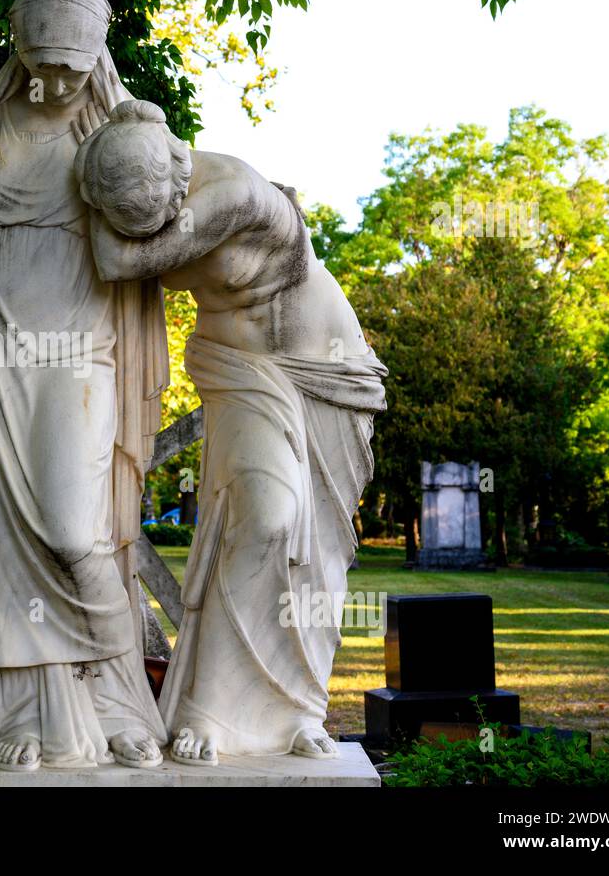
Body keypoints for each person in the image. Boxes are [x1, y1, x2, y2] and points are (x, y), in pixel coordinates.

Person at [0, 0, 168, 771]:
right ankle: (19, 713)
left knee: (71, 531)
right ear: (15, 53)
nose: (53, 83)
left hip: (73, 341)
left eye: (71, 68)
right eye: (38, 65)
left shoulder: (120, 129)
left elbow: (162, 215)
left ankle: (115, 696)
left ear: (97, 59)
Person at [76, 99, 388, 762]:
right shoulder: (160, 191)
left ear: (173, 173)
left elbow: (116, 259)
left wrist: (94, 199)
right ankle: (209, 709)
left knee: (317, 555)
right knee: (270, 519)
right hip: (243, 374)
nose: (141, 226)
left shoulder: (234, 194)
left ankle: (298, 714)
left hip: (327, 377)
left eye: (149, 212)